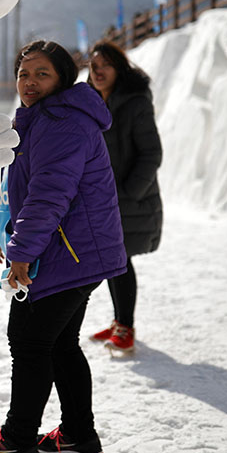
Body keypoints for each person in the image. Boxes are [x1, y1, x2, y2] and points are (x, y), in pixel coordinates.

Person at [0, 40, 127, 453]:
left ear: (61, 78)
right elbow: (16, 190)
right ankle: (78, 434)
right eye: (24, 73)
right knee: (58, 343)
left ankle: (17, 440)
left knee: (29, 341)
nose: (30, 82)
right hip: (73, 251)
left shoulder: (62, 122)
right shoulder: (41, 120)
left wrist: (21, 252)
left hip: (66, 253)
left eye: (42, 73)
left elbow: (48, 196)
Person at [85, 42, 163, 355]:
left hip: (129, 198)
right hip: (103, 199)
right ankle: (119, 321)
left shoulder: (135, 104)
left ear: (119, 68)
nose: (98, 71)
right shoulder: (93, 104)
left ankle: (125, 327)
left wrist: (128, 193)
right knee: (111, 261)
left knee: (119, 261)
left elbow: (151, 154)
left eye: (105, 65)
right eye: (93, 66)